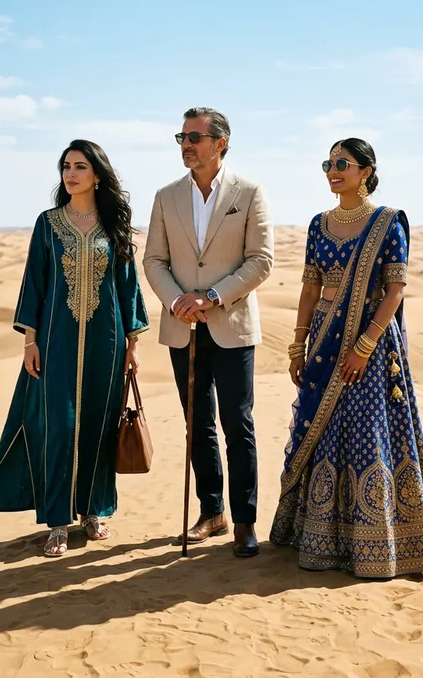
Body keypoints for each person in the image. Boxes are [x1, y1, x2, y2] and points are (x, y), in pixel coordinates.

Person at [270, 137, 423, 577]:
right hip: (324, 341)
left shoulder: (388, 223)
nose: (333, 170)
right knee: (324, 430)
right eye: (328, 163)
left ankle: (377, 542)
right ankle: (319, 537)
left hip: (371, 342)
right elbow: (310, 288)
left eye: (343, 163)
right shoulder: (318, 224)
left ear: (366, 171)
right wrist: (298, 344)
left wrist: (364, 346)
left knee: (367, 430)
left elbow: (394, 291)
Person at [0, 140, 150, 557]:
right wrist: (30, 341)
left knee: (98, 427)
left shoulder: (113, 226)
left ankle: (93, 511)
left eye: (80, 167)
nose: (70, 174)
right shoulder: (49, 223)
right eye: (66, 167)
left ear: (97, 175)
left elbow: (129, 290)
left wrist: (133, 345)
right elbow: (34, 283)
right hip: (55, 343)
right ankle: (57, 521)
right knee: (59, 427)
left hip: (107, 344)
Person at [144, 107, 273, 558]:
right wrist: (177, 299)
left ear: (221, 142)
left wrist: (213, 297)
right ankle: (211, 511)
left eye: (194, 137)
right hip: (183, 328)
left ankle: (245, 521)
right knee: (197, 425)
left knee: (238, 424)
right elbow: (153, 260)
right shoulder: (166, 196)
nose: (186, 144)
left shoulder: (250, 192)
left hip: (231, 326)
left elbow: (261, 260)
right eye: (181, 136)